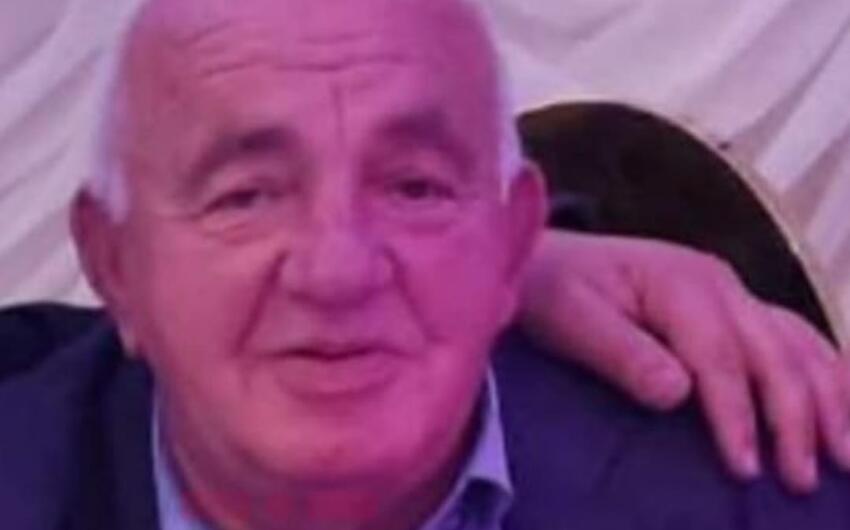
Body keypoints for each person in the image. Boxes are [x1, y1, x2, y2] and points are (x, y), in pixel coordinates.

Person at [1, 0, 849, 528]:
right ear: (114, 265)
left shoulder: (756, 501)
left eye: (414, 187)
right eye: (246, 197)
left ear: (514, 237)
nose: (337, 272)